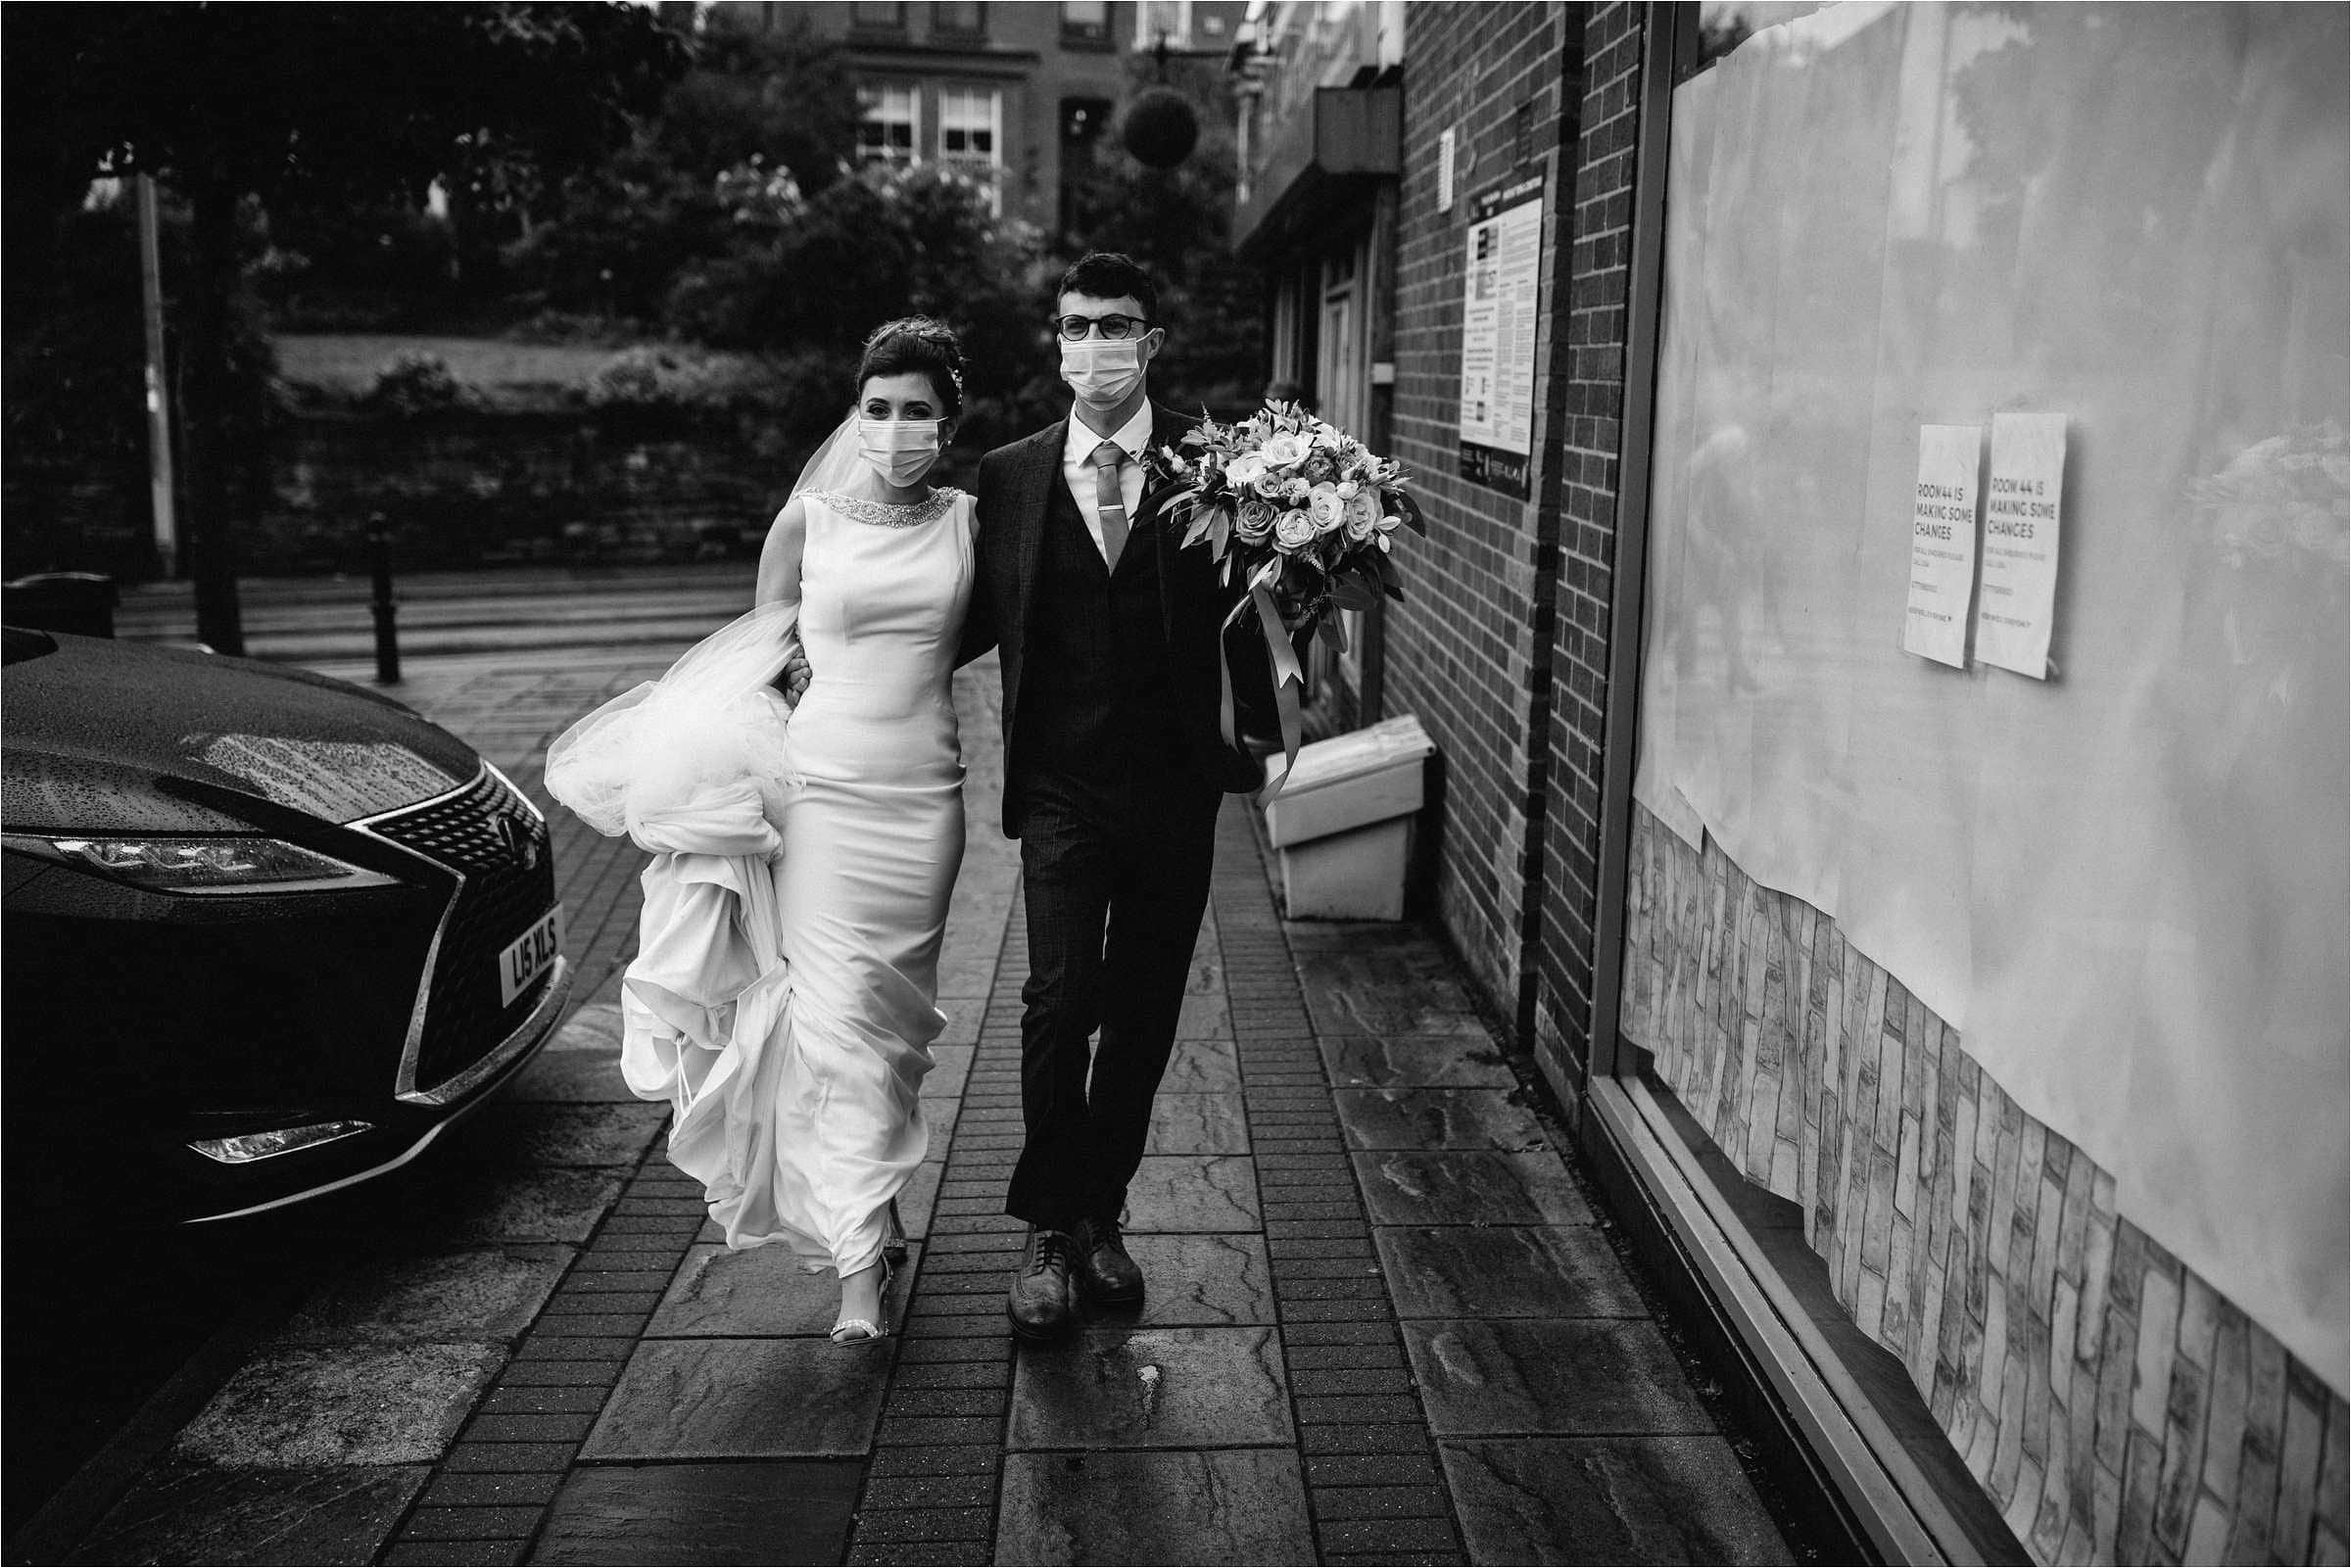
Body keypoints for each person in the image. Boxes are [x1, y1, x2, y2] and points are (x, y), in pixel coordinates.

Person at [545, 317, 974, 1348]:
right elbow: (760, 667)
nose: (895, 425)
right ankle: (858, 1269)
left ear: (949, 423)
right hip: (824, 795)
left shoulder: (969, 520)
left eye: (918, 408)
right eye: (877, 407)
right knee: (833, 1024)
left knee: (892, 1031)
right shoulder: (806, 525)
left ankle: (875, 1190)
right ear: (854, 413)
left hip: (925, 803)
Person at [959, 252, 1276, 1341]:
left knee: (1143, 1011)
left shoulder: (1221, 468)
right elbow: (964, 618)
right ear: (1058, 340)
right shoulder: (1009, 475)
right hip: (1061, 784)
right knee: (1059, 997)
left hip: (1177, 787)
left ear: (1151, 342)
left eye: (1116, 325)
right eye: (1076, 324)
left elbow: (1267, 612)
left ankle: (1101, 1208)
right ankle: (1047, 1224)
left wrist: (1274, 717)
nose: (1095, 343)